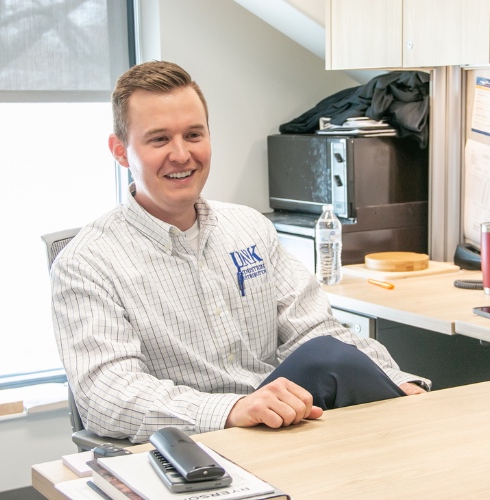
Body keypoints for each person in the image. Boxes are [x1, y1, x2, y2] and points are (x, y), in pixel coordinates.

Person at [51, 61, 430, 444]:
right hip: (195, 443)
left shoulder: (249, 228)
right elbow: (107, 394)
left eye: (194, 134)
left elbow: (315, 330)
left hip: (279, 427)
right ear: (120, 151)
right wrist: (232, 410)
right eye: (159, 139)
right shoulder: (87, 263)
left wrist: (397, 383)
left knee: (334, 363)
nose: (182, 154)